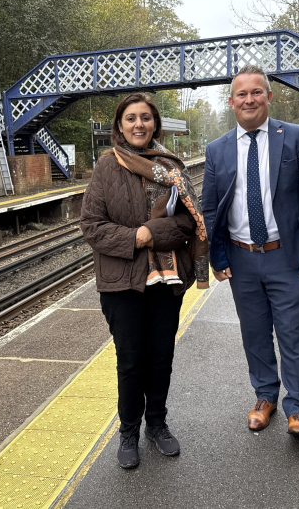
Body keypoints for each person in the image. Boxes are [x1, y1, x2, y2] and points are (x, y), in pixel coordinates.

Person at [201, 64, 299, 438]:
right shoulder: (217, 150)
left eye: (256, 92)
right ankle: (265, 396)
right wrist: (217, 256)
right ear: (231, 102)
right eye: (241, 94)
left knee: (292, 334)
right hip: (241, 259)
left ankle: (298, 408)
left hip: (286, 257)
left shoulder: (294, 137)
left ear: (269, 97)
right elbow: (212, 209)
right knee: (254, 334)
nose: (249, 99)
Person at [81, 93, 209, 469]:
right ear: (119, 126)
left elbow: (189, 222)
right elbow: (91, 226)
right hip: (122, 284)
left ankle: (157, 423)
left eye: (146, 118)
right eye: (131, 118)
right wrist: (136, 238)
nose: (139, 124)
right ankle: (128, 431)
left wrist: (150, 232)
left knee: (161, 359)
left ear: (155, 123)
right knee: (131, 362)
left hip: (167, 282)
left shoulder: (172, 166)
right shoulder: (107, 167)